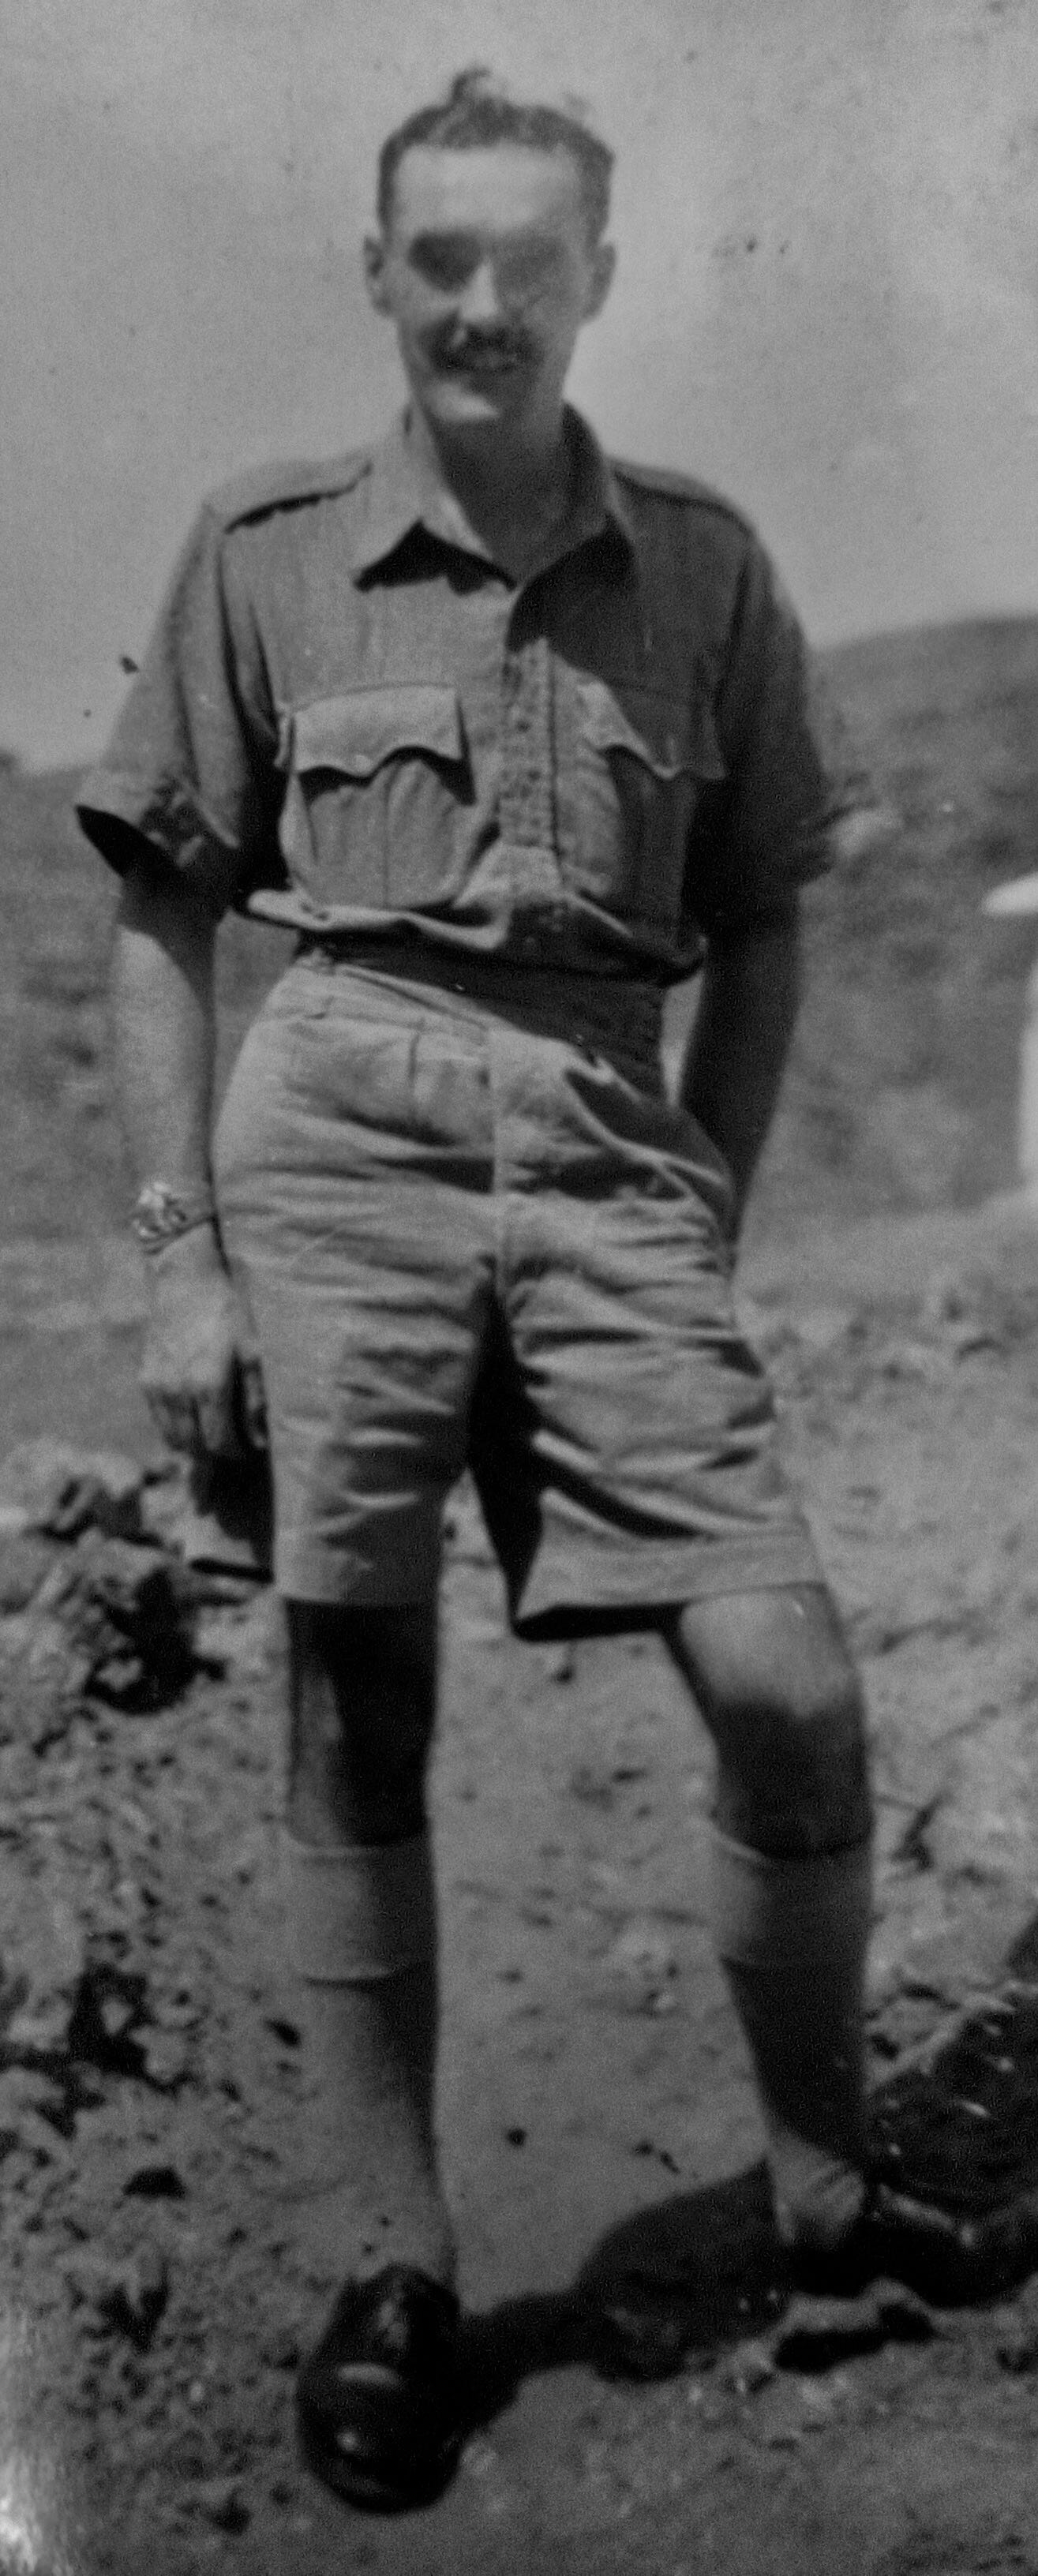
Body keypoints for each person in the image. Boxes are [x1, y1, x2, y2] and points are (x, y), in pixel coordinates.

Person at [77, 69, 1009, 2515]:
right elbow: (165, 912)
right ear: (379, 278)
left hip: (608, 1132)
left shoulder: (701, 565)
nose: (479, 303)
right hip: (344, 1130)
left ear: (598, 277)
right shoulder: (260, 549)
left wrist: (705, 1173)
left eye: (526, 260)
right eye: (434, 260)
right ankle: (393, 2265)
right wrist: (183, 1262)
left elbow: (779, 885)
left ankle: (818, 2191)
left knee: (785, 1678)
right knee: (351, 1693)